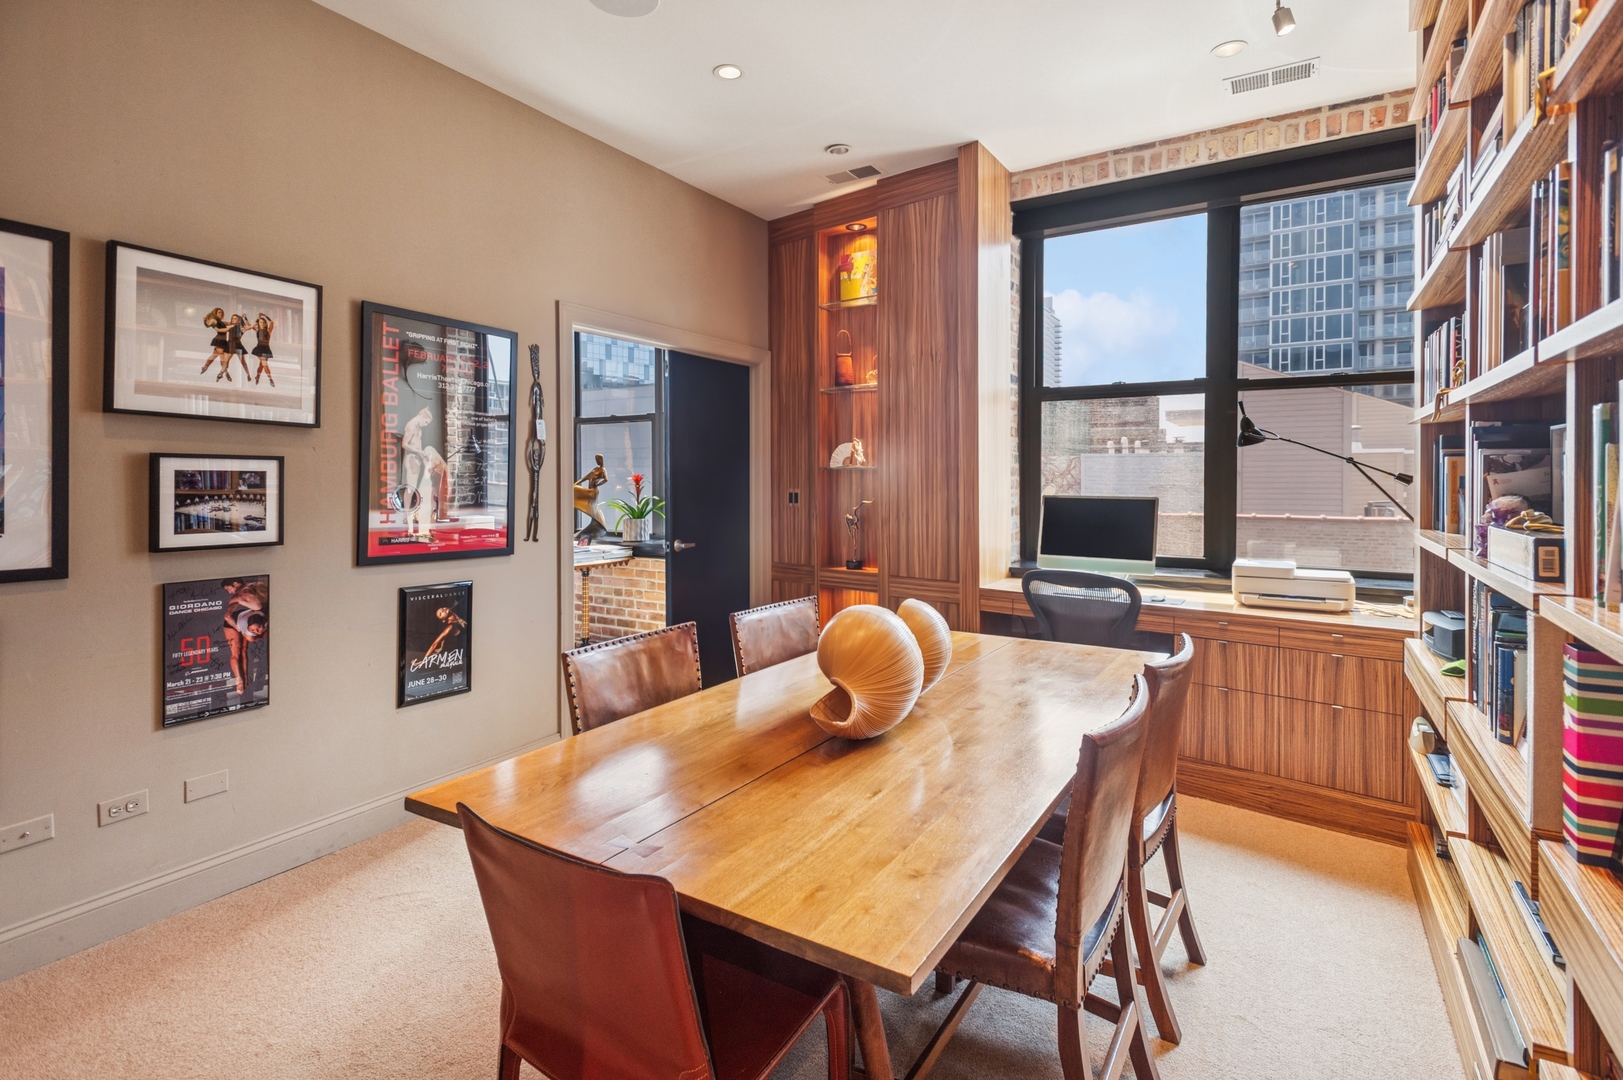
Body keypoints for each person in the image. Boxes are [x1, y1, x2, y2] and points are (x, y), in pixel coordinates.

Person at [220, 578, 268, 697]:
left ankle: (246, 679)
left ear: (235, 584)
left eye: (228, 589)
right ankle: (239, 681)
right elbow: (227, 617)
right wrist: (238, 629)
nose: (230, 592)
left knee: (244, 650)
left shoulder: (252, 589)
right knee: (236, 653)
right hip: (237, 623)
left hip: (249, 620)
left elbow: (258, 606)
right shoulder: (241, 595)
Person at [200, 308, 230, 377]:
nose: (221, 314)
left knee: (215, 355)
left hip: (223, 340)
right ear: (215, 313)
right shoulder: (214, 320)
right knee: (222, 356)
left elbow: (231, 323)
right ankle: (224, 371)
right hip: (219, 340)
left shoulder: (222, 322)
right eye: (219, 312)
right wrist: (205, 321)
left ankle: (205, 367)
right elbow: (208, 325)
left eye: (221, 313)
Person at [250, 313, 275, 386]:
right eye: (260, 322)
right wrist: (258, 317)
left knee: (261, 365)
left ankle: (257, 377)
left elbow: (272, 322)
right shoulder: (257, 329)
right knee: (264, 363)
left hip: (266, 348)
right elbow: (252, 326)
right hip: (259, 348)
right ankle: (270, 379)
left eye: (264, 322)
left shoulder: (268, 330)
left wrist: (265, 316)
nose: (262, 323)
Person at [226, 313, 252, 382]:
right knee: (226, 360)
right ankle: (226, 373)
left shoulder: (242, 328)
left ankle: (248, 374)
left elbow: (249, 326)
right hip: (230, 344)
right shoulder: (230, 327)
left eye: (235, 318)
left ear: (238, 320)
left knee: (243, 361)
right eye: (232, 318)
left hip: (237, 345)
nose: (233, 319)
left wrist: (245, 318)